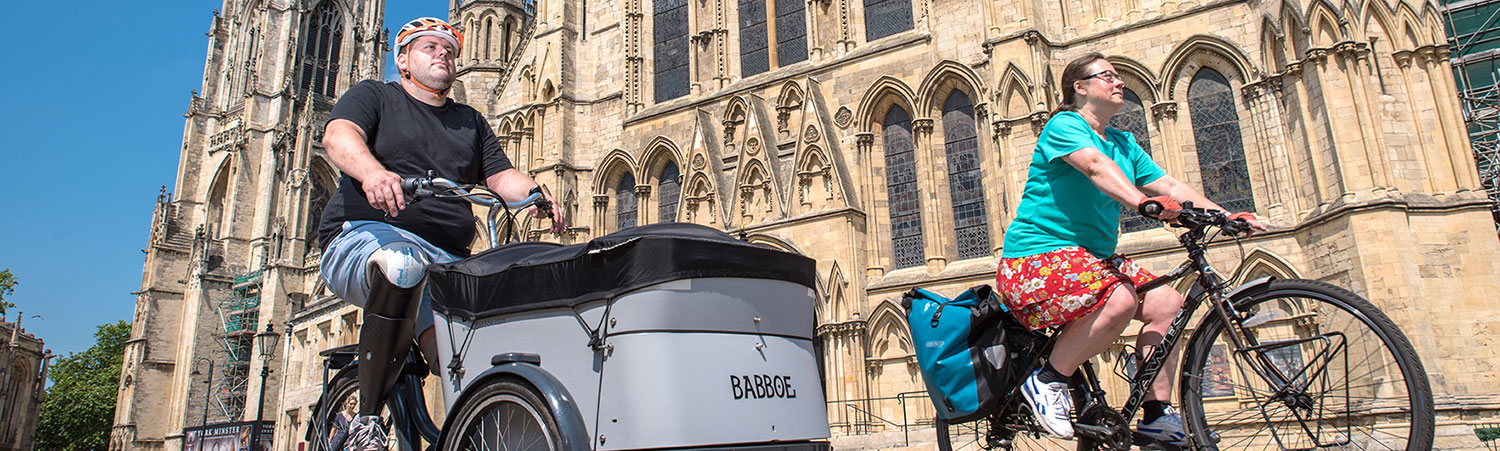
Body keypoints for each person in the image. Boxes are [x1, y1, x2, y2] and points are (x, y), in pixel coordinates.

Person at [317, 17, 567, 451]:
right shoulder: (375, 96)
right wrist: (373, 173)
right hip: (365, 237)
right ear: (403, 60)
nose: (442, 56)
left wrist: (536, 194)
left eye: (449, 51)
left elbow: (500, 175)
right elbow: (339, 136)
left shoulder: (469, 121)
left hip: (446, 263)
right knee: (402, 264)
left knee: (474, 352)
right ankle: (365, 421)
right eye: (430, 48)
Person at [997, 52, 1265, 446]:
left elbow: (1171, 187)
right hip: (1035, 260)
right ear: (1080, 87)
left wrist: (1225, 216)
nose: (1119, 81)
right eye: (1107, 75)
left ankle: (1156, 413)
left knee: (1167, 304)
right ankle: (1047, 381)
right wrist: (1142, 204)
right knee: (1119, 298)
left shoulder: (1123, 142)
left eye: (1119, 76)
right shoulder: (1064, 125)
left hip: (1093, 260)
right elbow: (1093, 167)